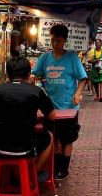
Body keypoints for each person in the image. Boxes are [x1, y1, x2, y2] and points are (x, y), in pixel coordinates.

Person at [0, 54, 56, 174]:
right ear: (28, 74)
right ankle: (32, 174)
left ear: (8, 74)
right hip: (26, 147)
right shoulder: (36, 91)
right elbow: (52, 116)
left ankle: (12, 176)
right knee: (49, 136)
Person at [32, 24, 87, 181]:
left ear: (65, 41)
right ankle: (55, 165)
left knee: (67, 138)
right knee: (51, 137)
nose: (55, 43)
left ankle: (64, 168)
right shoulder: (44, 58)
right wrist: (32, 78)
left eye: (59, 40)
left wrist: (77, 93)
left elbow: (83, 78)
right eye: (53, 40)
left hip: (69, 106)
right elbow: (34, 74)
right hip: (50, 107)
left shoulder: (72, 58)